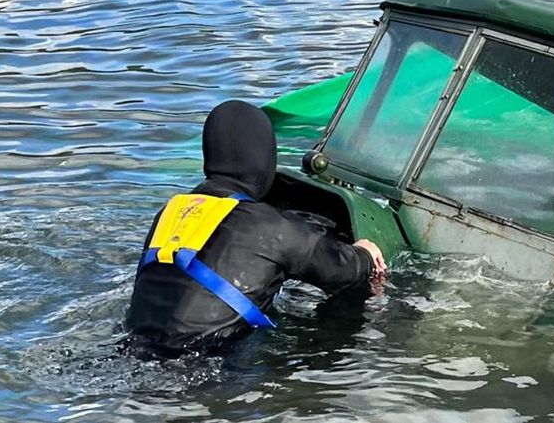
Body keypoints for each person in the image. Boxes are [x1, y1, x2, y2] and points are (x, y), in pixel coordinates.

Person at [124, 100, 385, 357]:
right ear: (263, 156)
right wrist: (363, 253)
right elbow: (342, 269)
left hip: (135, 349)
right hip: (205, 363)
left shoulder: (171, 212)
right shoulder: (270, 225)